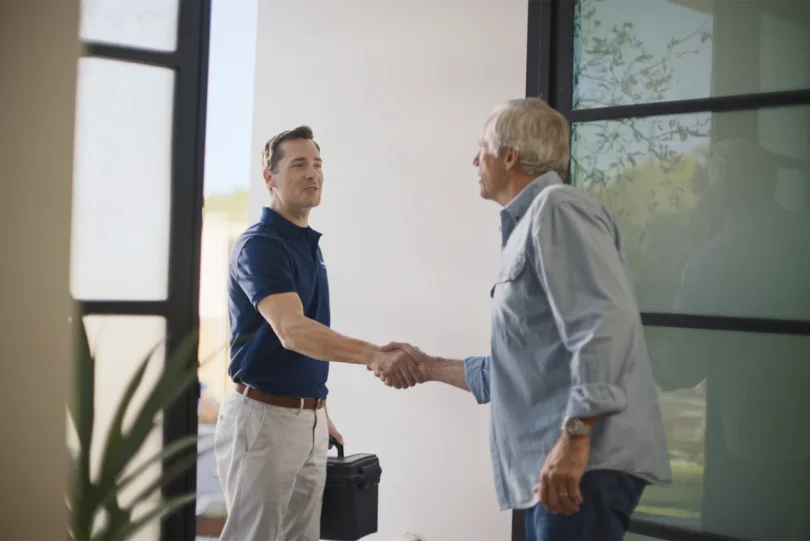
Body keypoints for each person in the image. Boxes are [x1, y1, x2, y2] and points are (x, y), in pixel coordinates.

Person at [374, 98, 672, 541]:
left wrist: (574, 438)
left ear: (510, 156)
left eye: (482, 148)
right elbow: (523, 369)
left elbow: (603, 325)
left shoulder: (557, 208)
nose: (475, 160)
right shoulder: (532, 222)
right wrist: (427, 367)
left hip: (582, 465)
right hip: (563, 465)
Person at [214, 125, 422, 541]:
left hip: (305, 421)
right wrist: (373, 354)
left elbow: (304, 337)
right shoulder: (261, 245)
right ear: (269, 178)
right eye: (298, 165)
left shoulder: (306, 243)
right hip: (263, 421)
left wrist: (318, 412)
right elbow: (292, 331)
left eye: (317, 164)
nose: (313, 174)